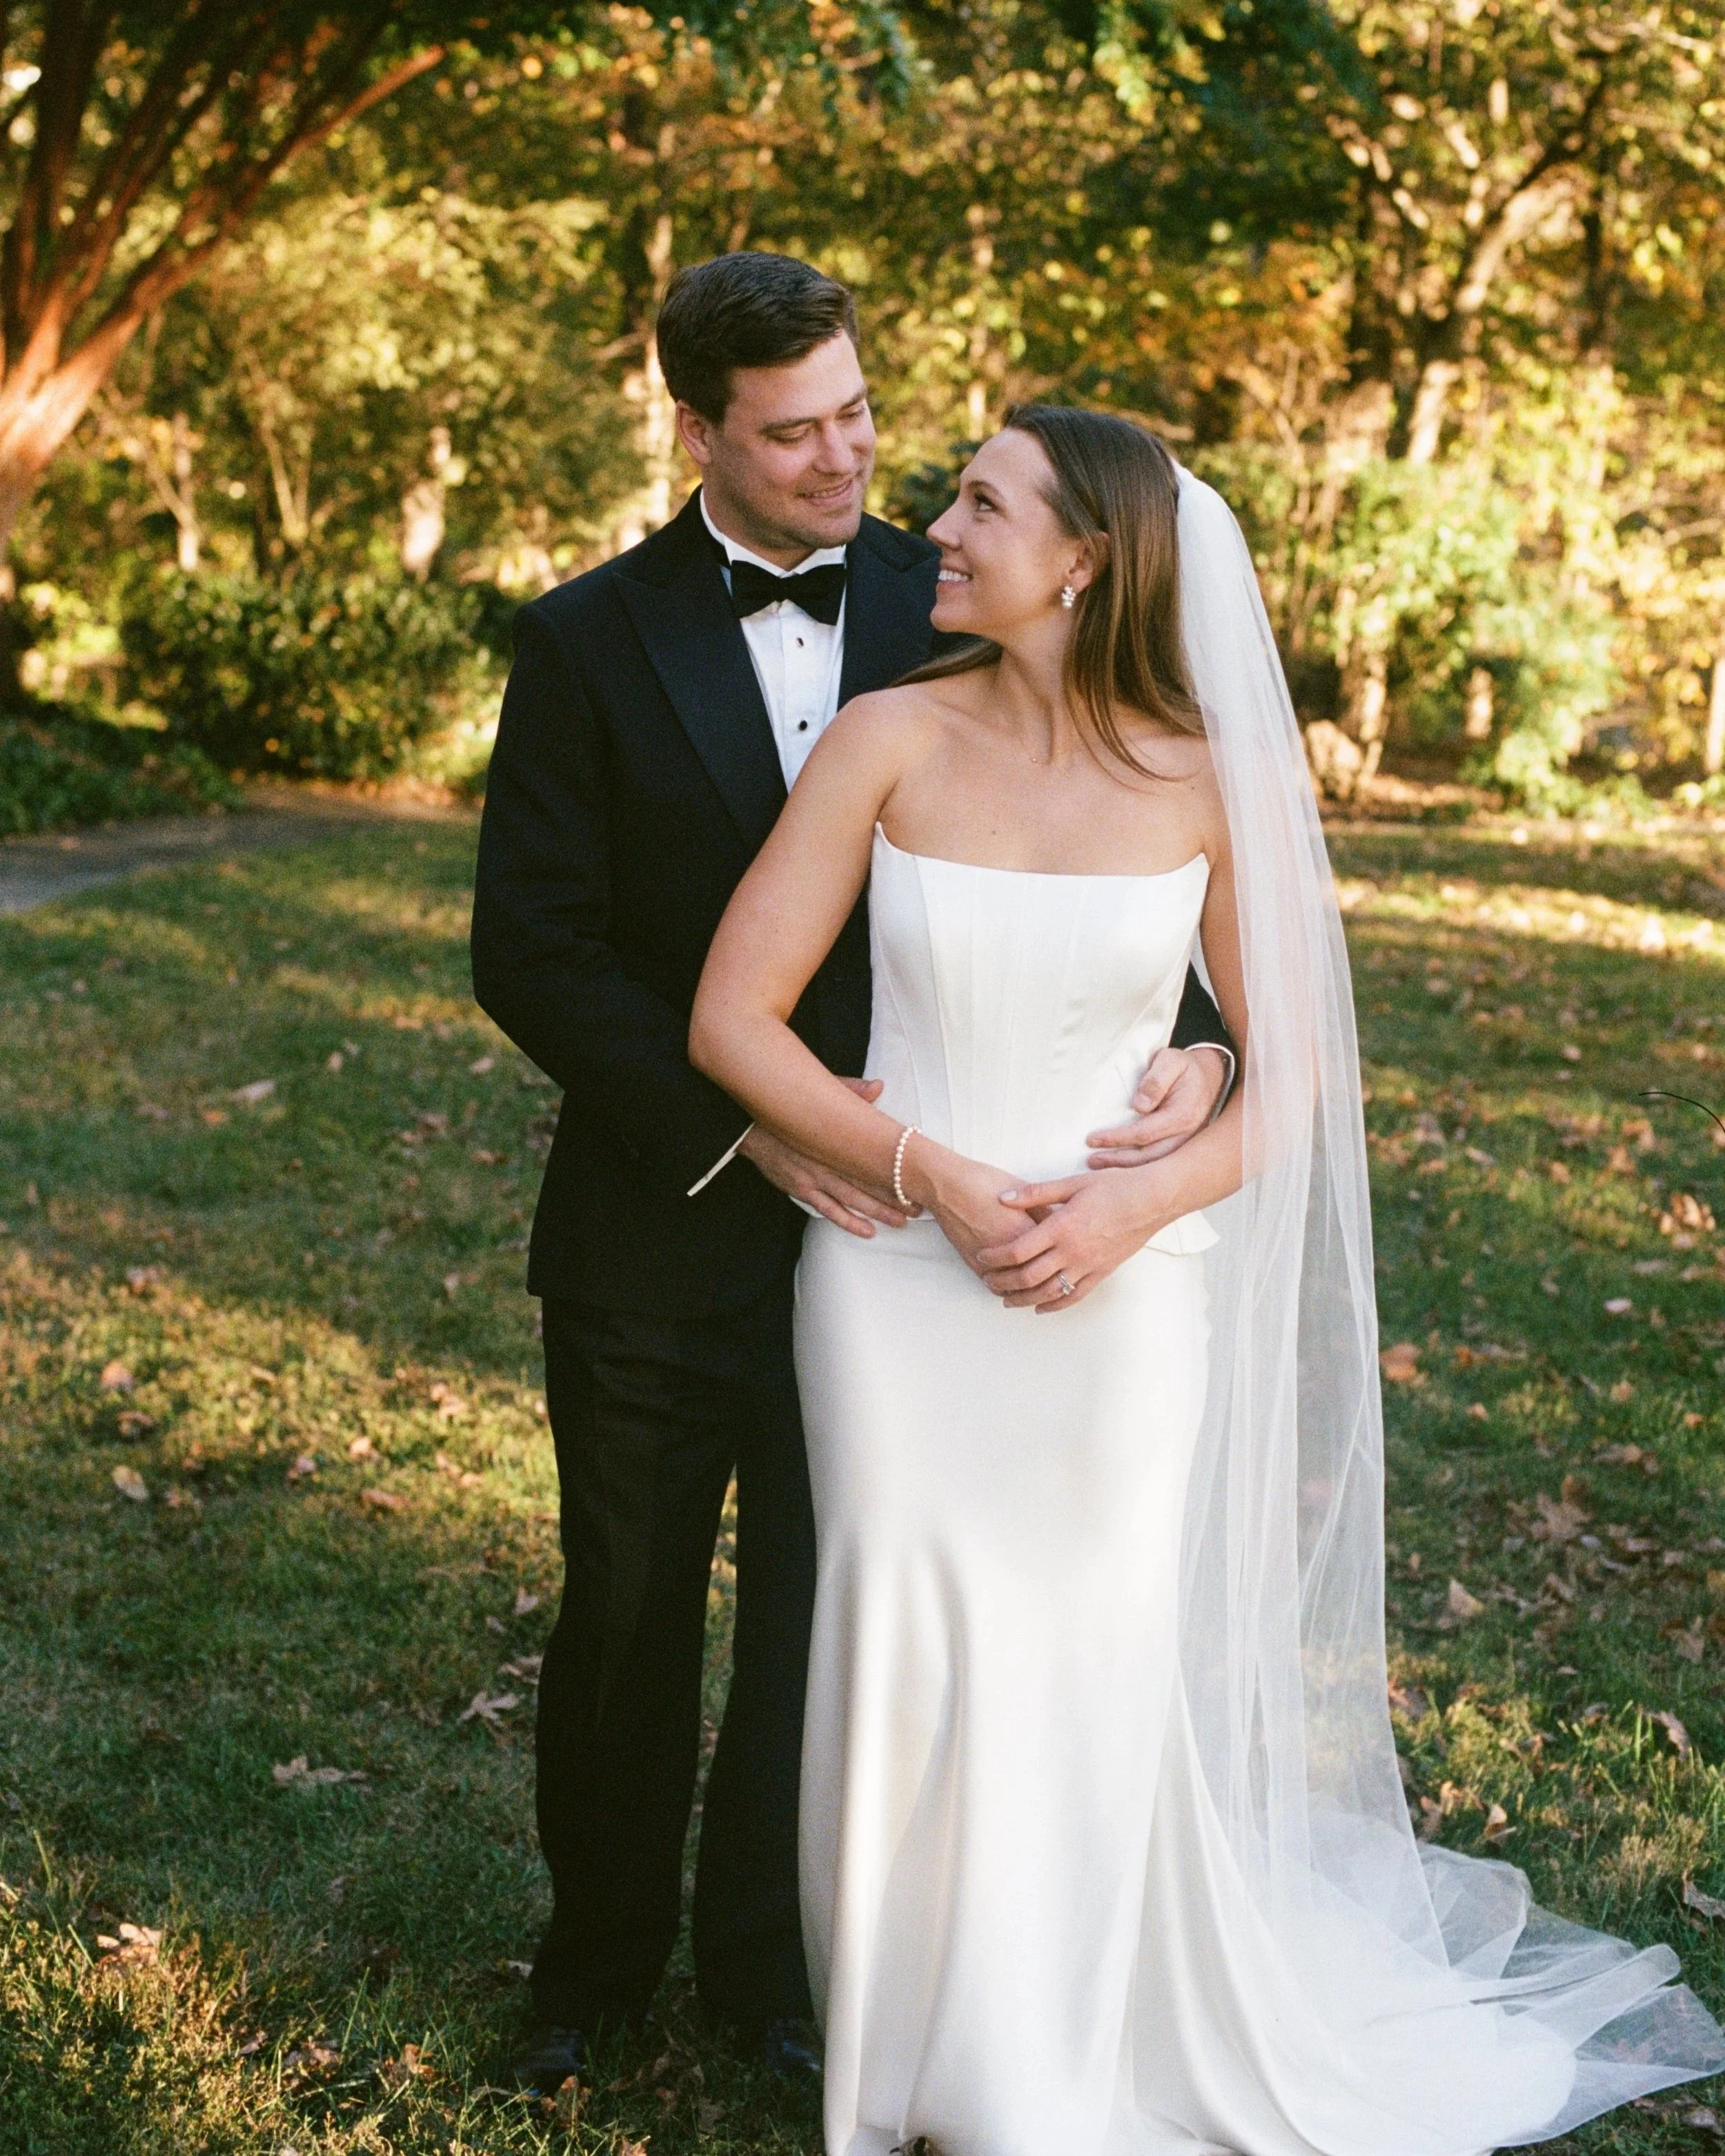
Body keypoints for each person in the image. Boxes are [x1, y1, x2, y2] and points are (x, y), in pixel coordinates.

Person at [689, 406, 1725, 2154]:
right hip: (889, 1278)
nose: (935, 525)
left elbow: (1297, 1068)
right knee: (905, 1636)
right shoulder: (884, 736)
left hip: (1119, 1293)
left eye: (982, 503)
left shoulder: (1202, 777)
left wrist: (1130, 1202)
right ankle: (909, 2059)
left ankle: (1057, 2063)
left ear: (1085, 559)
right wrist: (923, 1171)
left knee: (1086, 1648)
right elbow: (732, 1018)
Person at [469, 255, 1234, 2095]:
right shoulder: (585, 639)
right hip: (669, 1205)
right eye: (792, 430)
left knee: (836, 1624)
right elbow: (536, 948)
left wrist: (1199, 1044)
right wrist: (764, 1125)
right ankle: (591, 1969)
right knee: (631, 1612)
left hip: (925, 1255)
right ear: (699, 432)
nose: (841, 459)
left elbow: (1116, 875)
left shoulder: (961, 591)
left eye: (857, 413)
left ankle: (780, 1977)